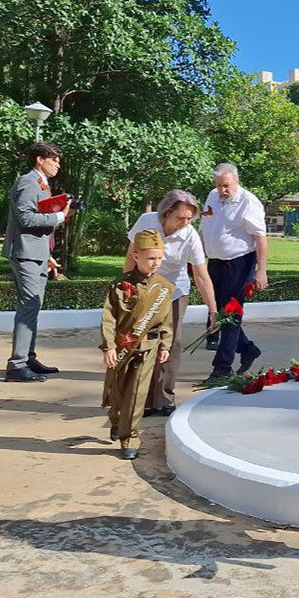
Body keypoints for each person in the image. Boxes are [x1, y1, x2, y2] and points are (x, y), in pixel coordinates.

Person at [125, 190, 217, 418]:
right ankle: (142, 400)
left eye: (189, 219)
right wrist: (128, 288)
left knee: (171, 343)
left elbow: (202, 276)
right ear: (166, 213)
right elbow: (130, 256)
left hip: (174, 291)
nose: (185, 223)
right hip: (143, 289)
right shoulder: (147, 222)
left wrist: (213, 310)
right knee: (142, 342)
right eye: (180, 218)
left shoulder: (190, 235)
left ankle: (164, 399)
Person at [100, 230, 175, 460]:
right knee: (117, 390)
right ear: (135, 256)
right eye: (151, 258)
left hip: (148, 347)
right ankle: (116, 419)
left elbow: (166, 321)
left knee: (136, 394)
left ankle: (129, 438)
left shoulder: (163, 288)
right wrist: (109, 346)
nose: (156, 263)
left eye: (160, 258)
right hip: (122, 346)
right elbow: (109, 317)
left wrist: (165, 345)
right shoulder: (119, 285)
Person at [1, 142, 71, 382]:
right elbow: (26, 217)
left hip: (36, 253)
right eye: (54, 160)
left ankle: (27, 358)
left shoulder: (41, 183)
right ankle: (17, 365)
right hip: (25, 253)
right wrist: (60, 216)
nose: (58, 165)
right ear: (40, 160)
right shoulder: (29, 181)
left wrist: (47, 253)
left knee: (33, 306)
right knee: (29, 306)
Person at [200, 163, 269, 380]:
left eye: (226, 185)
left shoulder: (249, 202)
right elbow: (205, 228)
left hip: (239, 263)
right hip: (215, 262)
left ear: (236, 181)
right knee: (220, 313)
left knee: (231, 314)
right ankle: (247, 348)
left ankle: (222, 368)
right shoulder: (212, 196)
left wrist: (261, 271)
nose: (222, 190)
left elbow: (260, 238)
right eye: (219, 185)